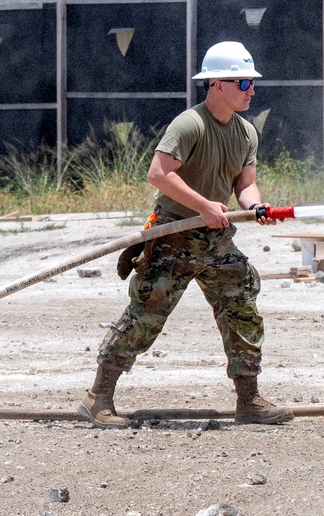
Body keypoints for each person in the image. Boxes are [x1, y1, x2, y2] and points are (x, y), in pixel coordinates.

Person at [78, 41, 294, 429]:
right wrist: (204, 206)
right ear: (217, 84)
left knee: (241, 305)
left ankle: (249, 401)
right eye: (243, 82)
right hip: (174, 235)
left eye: (251, 83)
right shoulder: (189, 124)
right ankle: (98, 398)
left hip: (217, 238)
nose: (251, 90)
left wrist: (254, 207)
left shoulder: (246, 133)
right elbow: (159, 174)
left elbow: (245, 185)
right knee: (146, 314)